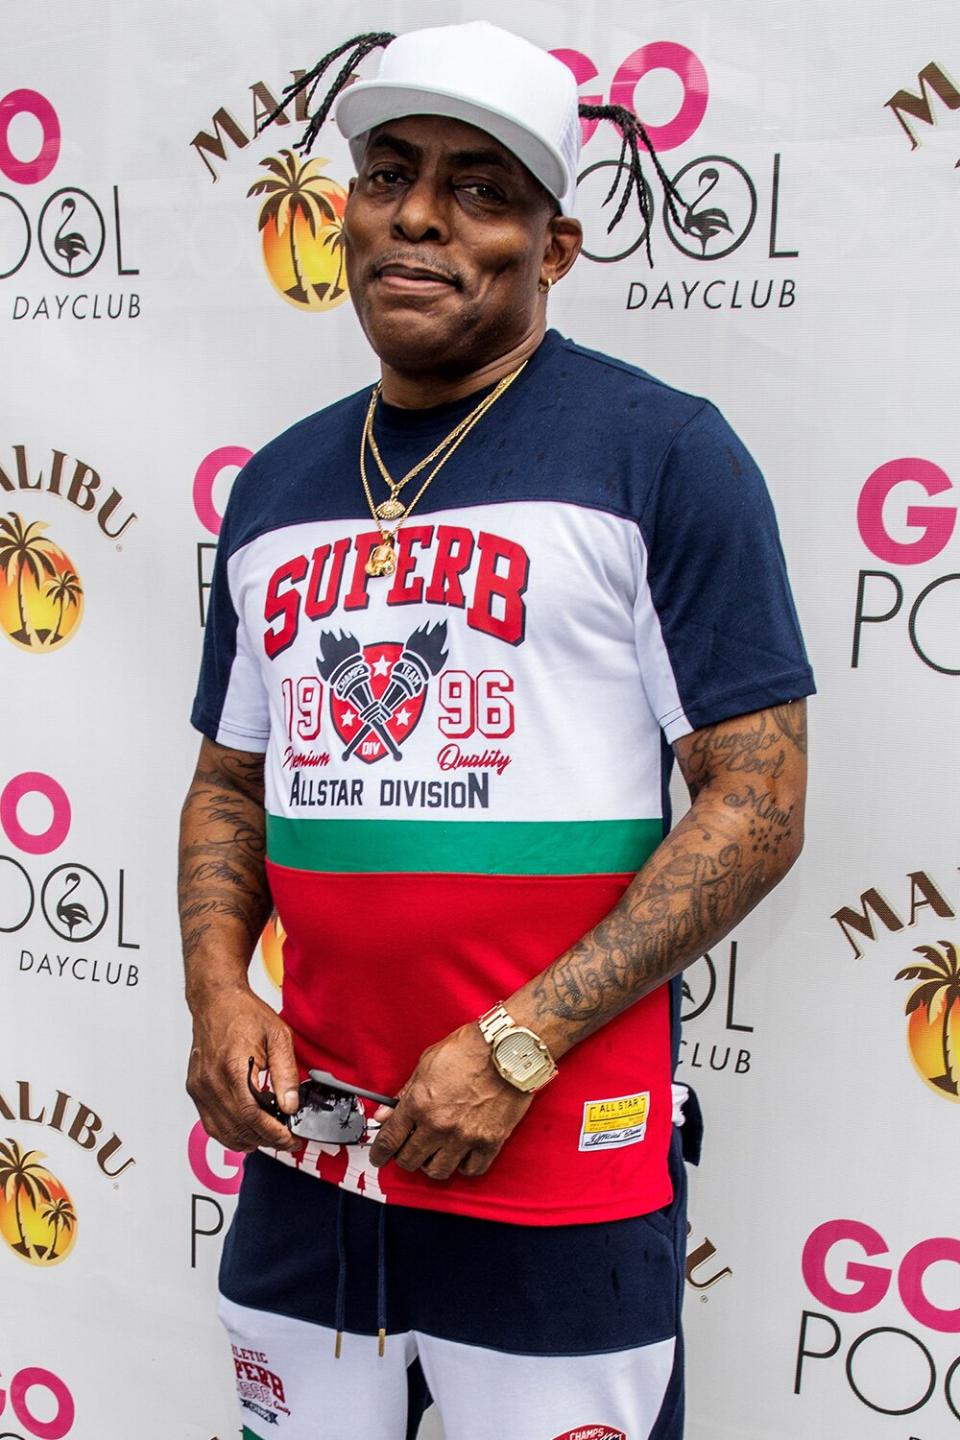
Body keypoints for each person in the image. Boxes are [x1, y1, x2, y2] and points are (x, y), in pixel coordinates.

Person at [180, 21, 813, 1440]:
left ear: (555, 244)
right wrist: (219, 994)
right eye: (389, 172)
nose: (419, 214)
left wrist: (517, 1048)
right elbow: (229, 782)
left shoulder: (663, 452)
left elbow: (758, 802)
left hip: (553, 1170)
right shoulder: (281, 484)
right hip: (310, 1166)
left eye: (480, 186)